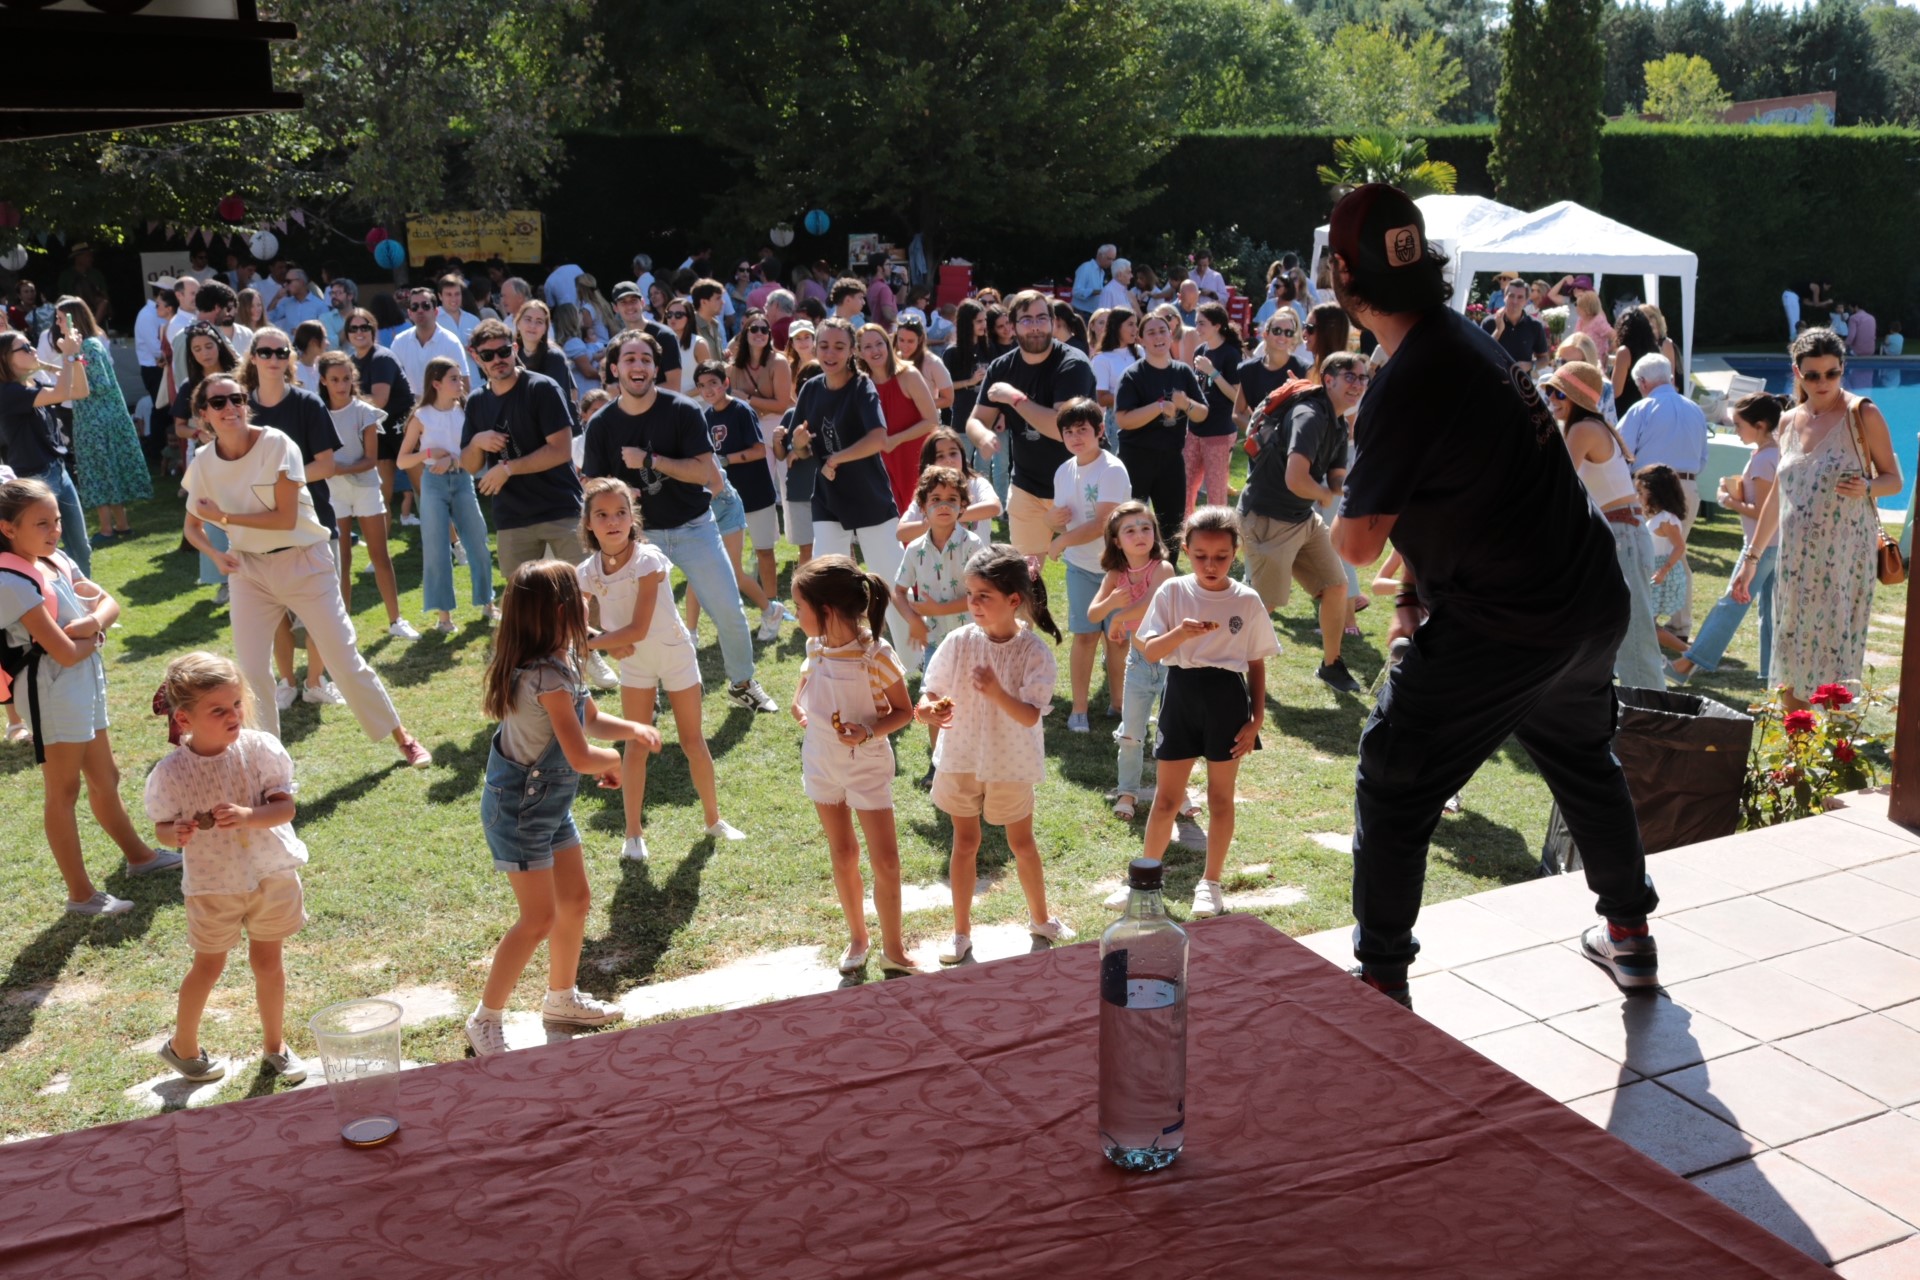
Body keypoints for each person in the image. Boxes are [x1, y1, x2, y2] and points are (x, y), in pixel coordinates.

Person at [1324, 184, 1660, 1011]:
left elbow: (1357, 543)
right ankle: (1630, 938)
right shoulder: (1468, 337)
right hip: (1586, 599)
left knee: (1393, 776)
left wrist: (1342, 488)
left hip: (1508, 620)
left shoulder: (1403, 382)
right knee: (1584, 763)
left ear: (1341, 274)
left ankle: (1380, 982)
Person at [180, 373, 432, 766]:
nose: (230, 408)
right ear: (203, 416)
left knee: (343, 661)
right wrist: (216, 555)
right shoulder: (203, 462)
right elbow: (192, 528)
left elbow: (283, 518)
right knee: (250, 672)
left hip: (303, 561)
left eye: (237, 398)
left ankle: (402, 736)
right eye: (218, 403)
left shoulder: (277, 444)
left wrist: (225, 518)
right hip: (248, 570)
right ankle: (270, 768)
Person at [464, 560, 656, 1057]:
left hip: (547, 806)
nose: (588, 602)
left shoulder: (562, 660)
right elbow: (577, 753)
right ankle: (485, 1018)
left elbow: (588, 718)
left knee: (575, 901)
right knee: (537, 919)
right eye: (581, 595)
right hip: (521, 810)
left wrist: (631, 730)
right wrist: (610, 760)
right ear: (560, 610)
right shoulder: (546, 677)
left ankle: (561, 999)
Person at [0, 477, 181, 915]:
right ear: (8, 529)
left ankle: (140, 858)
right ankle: (81, 896)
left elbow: (110, 604)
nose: (54, 530)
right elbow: (60, 652)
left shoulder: (55, 559)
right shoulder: (10, 578)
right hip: (51, 689)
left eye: (57, 520)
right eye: (42, 523)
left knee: (107, 777)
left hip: (81, 678)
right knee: (63, 791)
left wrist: (90, 625)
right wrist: (96, 633)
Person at [580, 328, 779, 713]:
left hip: (694, 525)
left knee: (728, 611)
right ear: (615, 368)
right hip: (638, 537)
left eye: (645, 360)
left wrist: (651, 461)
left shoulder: (683, 411)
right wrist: (620, 491)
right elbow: (592, 483)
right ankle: (646, 693)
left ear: (655, 368)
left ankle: (742, 684)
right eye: (629, 359)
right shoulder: (601, 425)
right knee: (636, 621)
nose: (637, 365)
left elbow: (704, 471)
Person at [145, 652, 307, 1086]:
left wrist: (249, 815)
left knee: (268, 963)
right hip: (213, 885)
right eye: (219, 710)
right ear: (185, 718)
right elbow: (160, 825)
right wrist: (174, 834)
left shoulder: (259, 750)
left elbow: (285, 808)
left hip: (270, 874)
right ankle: (183, 1047)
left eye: (236, 703)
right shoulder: (172, 772)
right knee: (208, 966)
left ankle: (275, 1046)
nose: (233, 715)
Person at [1108, 507, 1276, 919]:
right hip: (1181, 695)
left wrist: (1255, 719)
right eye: (1201, 555)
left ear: (1235, 552)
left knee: (1221, 798)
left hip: (1227, 701)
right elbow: (1150, 649)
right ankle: (1142, 885)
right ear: (1186, 550)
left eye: (1220, 556)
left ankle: (1211, 883)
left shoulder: (1247, 599)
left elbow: (1256, 662)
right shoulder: (1173, 592)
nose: (1211, 564)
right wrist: (1181, 632)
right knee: (1166, 799)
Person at [915, 544, 1071, 964]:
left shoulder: (1034, 652)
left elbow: (1027, 716)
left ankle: (1041, 918)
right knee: (964, 843)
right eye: (970, 594)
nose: (974, 604)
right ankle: (960, 932)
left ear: (1013, 600)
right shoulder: (959, 641)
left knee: (1022, 844)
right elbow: (931, 690)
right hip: (961, 757)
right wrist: (927, 707)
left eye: (984, 596)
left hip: (1010, 765)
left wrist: (997, 692)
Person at [1733, 328, 1900, 711]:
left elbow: (1895, 480)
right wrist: (1751, 558)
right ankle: (1796, 756)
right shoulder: (1788, 422)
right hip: (1795, 565)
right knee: (1791, 656)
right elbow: (1778, 493)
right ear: (1797, 372)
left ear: (1843, 369)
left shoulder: (1863, 414)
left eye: (1832, 373)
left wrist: (1869, 487)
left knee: (1835, 659)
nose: (1823, 382)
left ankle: (1835, 756)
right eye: (1813, 375)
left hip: (1843, 562)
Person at [577, 478, 742, 862]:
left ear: (632, 517)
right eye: (602, 514)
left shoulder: (648, 559)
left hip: (674, 653)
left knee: (691, 741)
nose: (612, 521)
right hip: (636, 664)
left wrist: (600, 642)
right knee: (635, 746)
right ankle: (633, 835)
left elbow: (638, 628)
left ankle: (713, 819)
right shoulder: (586, 570)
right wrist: (600, 640)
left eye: (620, 512)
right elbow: (574, 620)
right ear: (588, 523)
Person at [790, 554, 917, 976]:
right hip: (822, 762)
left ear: (825, 611)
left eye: (799, 607)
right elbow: (806, 685)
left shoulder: (876, 655)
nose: (795, 616)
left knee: (887, 862)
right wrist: (799, 705)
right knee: (842, 853)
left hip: (866, 764)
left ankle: (894, 948)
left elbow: (904, 711)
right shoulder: (815, 647)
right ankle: (858, 937)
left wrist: (866, 732)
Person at [1237, 351, 1365, 694]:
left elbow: (1337, 475)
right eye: (1349, 376)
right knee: (1265, 606)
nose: (1357, 384)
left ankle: (1331, 665)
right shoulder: (1309, 415)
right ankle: (1231, 669)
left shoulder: (1337, 422)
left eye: (1363, 378)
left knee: (1336, 586)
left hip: (1301, 517)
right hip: (1268, 518)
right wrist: (1325, 495)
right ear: (1329, 379)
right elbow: (1297, 479)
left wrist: (1344, 488)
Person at [786, 318, 912, 656]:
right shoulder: (811, 388)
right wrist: (797, 444)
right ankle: (839, 650)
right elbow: (797, 451)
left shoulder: (862, 386)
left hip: (870, 498)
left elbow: (879, 438)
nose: (830, 353)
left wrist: (836, 458)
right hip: (828, 500)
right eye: (824, 345)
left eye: (839, 346)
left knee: (890, 580)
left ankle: (916, 657)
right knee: (827, 581)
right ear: (814, 347)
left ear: (851, 351)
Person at [1538, 360, 1663, 690]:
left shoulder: (1583, 429)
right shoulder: (1588, 426)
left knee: (1634, 638)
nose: (1550, 397)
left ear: (1575, 397)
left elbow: (1556, 483)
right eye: (1548, 390)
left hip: (1623, 536)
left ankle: (1651, 722)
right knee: (1608, 633)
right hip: (1618, 535)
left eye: (1557, 392)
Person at [961, 291, 1096, 555]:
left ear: (1053, 322)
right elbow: (976, 420)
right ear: (1011, 327)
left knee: (1088, 570)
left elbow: (1061, 430)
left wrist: (1014, 398)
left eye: (1041, 318)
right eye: (1026, 320)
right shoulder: (1002, 367)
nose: (1035, 326)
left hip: (1079, 483)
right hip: (1027, 487)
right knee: (1025, 576)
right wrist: (982, 437)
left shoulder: (1073, 364)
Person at [1669, 392, 1783, 687]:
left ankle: (1687, 664)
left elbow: (1763, 511)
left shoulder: (1764, 459)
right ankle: (1771, 675)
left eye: (1739, 424)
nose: (1735, 430)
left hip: (1762, 546)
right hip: (1773, 545)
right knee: (1768, 611)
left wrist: (1726, 501)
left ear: (1759, 425)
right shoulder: (1771, 454)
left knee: (1730, 604)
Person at [460, 318, 584, 577]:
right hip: (512, 517)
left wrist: (507, 468)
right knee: (522, 604)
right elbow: (470, 465)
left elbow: (561, 450)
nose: (498, 359)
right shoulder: (476, 401)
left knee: (585, 592)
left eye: (504, 351)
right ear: (475, 357)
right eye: (488, 354)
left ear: (514, 348)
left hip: (560, 509)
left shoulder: (542, 388)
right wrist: (477, 441)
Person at [891, 466, 988, 784]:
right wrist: (914, 621)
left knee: (973, 701)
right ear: (923, 506)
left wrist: (938, 608)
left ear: (963, 505)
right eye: (935, 499)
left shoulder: (972, 545)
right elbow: (899, 591)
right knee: (933, 700)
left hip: (973, 639)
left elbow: (983, 595)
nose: (943, 505)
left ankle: (976, 761)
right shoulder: (915, 550)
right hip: (935, 641)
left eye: (951, 499)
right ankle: (938, 762)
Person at [1044, 399, 1131, 731]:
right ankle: (1079, 709)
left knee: (1118, 637)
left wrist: (1061, 540)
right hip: (1080, 567)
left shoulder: (1112, 469)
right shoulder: (1062, 471)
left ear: (1099, 431)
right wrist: (1051, 521)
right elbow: (1060, 518)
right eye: (1068, 431)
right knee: (1084, 636)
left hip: (1117, 568)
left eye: (1082, 430)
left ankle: (1119, 704)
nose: (1075, 437)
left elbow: (1103, 523)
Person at [316, 352, 415, 639]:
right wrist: (332, 471)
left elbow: (370, 459)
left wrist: (337, 468)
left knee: (380, 554)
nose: (341, 384)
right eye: (334, 379)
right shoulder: (318, 413)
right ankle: (343, 623)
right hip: (334, 493)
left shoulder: (364, 411)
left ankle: (396, 620)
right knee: (341, 559)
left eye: (346, 378)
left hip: (366, 489)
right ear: (323, 380)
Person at [1090, 501, 1176, 822]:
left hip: (1170, 661)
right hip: (1138, 663)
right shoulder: (1116, 574)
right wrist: (1111, 603)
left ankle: (1176, 792)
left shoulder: (1163, 569)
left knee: (1174, 733)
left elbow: (1153, 603)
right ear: (1116, 540)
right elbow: (1093, 613)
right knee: (1131, 734)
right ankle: (1128, 791)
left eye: (1146, 528)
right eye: (1130, 530)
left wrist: (1118, 618)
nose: (1140, 535)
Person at [397, 357, 495, 633]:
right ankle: (444, 617)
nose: (460, 383)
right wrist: (429, 454)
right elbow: (402, 461)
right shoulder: (421, 416)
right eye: (453, 378)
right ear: (436, 383)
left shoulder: (466, 410)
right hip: (433, 484)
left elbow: (476, 454)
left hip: (463, 480)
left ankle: (487, 603)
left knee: (477, 541)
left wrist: (452, 460)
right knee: (437, 548)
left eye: (459, 377)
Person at [690, 360, 786, 638]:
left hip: (755, 492)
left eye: (713, 383)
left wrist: (725, 459)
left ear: (725, 383)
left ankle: (771, 608)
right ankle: (760, 610)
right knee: (725, 564)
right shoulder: (705, 417)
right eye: (702, 385)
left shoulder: (742, 410)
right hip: (723, 499)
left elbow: (759, 450)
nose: (708, 390)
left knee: (764, 551)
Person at [1616, 352, 1709, 638]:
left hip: (1653, 489)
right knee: (1676, 553)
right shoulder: (1695, 408)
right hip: (1688, 485)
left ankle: (1648, 617)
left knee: (1648, 553)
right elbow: (1703, 457)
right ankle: (1678, 626)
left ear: (1643, 382)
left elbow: (1622, 451)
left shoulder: (1642, 409)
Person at [52, 298, 153, 542]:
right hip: (92, 417)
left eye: (59, 318)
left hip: (98, 419)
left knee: (100, 471)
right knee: (104, 471)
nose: (56, 322)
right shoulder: (85, 346)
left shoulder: (88, 347)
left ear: (72, 319)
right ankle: (120, 525)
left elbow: (98, 384)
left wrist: (70, 368)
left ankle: (110, 528)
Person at [1, 316, 94, 575]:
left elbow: (79, 392)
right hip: (35, 478)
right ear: (5, 358)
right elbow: (64, 393)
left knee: (81, 547)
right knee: (44, 552)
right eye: (25, 348)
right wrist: (68, 355)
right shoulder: (8, 393)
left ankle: (84, 599)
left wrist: (74, 358)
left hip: (58, 471)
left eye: (31, 345)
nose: (32, 350)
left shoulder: (31, 384)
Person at [1113, 310, 1205, 558]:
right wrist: (1158, 407)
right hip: (1136, 458)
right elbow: (1123, 419)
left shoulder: (1182, 372)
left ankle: (1167, 573)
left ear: (1171, 334)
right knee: (1131, 522)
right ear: (1140, 339)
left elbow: (1202, 413)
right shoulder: (1133, 375)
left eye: (1162, 331)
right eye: (1151, 332)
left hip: (1172, 459)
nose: (1158, 337)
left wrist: (1186, 404)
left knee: (1172, 525)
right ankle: (1131, 571)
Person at [342, 306, 414, 525]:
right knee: (381, 499)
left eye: (364, 327)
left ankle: (454, 543)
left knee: (425, 491)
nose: (359, 332)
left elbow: (379, 401)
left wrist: (346, 406)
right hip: (379, 431)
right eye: (353, 328)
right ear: (347, 334)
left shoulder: (381, 358)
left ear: (373, 330)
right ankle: (380, 558)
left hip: (403, 429)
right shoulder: (351, 363)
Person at [858, 323, 939, 517]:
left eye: (879, 343)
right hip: (880, 461)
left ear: (888, 345)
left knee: (920, 515)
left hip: (915, 458)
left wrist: (895, 439)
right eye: (867, 347)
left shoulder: (908, 375)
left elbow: (932, 420)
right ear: (859, 352)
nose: (875, 350)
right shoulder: (861, 383)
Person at [894, 428, 1000, 544]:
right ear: (929, 463)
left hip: (978, 561)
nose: (949, 460)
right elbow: (901, 533)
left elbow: (994, 507)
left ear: (962, 455)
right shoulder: (927, 491)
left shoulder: (976, 483)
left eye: (953, 453)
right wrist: (934, 522)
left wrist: (954, 514)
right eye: (940, 456)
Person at [1186, 304, 1243, 514]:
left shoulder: (1230, 354)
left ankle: (1219, 534)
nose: (1197, 328)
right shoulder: (1199, 351)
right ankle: (1186, 530)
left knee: (1216, 490)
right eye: (1196, 323)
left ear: (1217, 325)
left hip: (1219, 430)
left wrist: (1213, 372)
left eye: (1202, 323)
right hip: (1194, 428)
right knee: (1187, 485)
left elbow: (1236, 396)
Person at [1637, 464, 1691, 651]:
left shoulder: (1666, 519)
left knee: (1648, 624)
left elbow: (1679, 546)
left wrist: (1663, 570)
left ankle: (1689, 655)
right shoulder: (1657, 517)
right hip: (1654, 572)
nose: (1639, 497)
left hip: (1660, 576)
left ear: (1656, 492)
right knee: (1645, 623)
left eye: (1641, 492)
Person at [770, 369, 818, 570]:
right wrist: (777, 441)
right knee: (806, 549)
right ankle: (805, 595)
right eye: (802, 387)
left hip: (829, 490)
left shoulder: (831, 411)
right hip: (799, 491)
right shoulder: (791, 414)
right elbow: (781, 455)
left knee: (840, 547)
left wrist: (801, 450)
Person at [390, 286, 471, 405]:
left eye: (426, 305)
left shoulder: (451, 342)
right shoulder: (399, 341)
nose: (420, 310)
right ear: (410, 313)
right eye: (415, 307)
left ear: (436, 311)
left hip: (444, 409)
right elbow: (392, 381)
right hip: (411, 410)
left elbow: (465, 386)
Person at [1092, 309, 1143, 452]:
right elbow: (1102, 398)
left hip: (1144, 416)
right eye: (1130, 324)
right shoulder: (1102, 359)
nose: (1135, 329)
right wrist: (1134, 398)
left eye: (1136, 324)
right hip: (1118, 420)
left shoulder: (1140, 352)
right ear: (1117, 326)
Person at [1481, 279, 1550, 371]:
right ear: (1505, 297)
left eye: (1520, 297)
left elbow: (1544, 359)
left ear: (1526, 301)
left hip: (1520, 383)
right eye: (1511, 296)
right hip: (1493, 380)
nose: (1515, 301)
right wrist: (1498, 331)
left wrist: (1530, 365)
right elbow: (1480, 353)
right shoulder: (1489, 322)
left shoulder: (1535, 325)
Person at [265, 268, 326, 333]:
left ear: (301, 282)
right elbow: (269, 319)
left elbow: (325, 331)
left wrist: (302, 332)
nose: (285, 284)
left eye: (288, 281)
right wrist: (276, 298)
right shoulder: (286, 302)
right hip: (289, 343)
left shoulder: (319, 305)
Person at [435, 273, 480, 345]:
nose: (454, 299)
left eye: (457, 294)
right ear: (440, 296)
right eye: (449, 294)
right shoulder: (432, 320)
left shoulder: (474, 320)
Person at [1072, 245, 1116, 316]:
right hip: (1081, 312)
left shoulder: (1102, 272)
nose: (1111, 263)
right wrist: (1094, 291)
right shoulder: (1085, 268)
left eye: (1113, 259)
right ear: (1100, 255)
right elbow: (1076, 291)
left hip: (1093, 313)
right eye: (1109, 259)